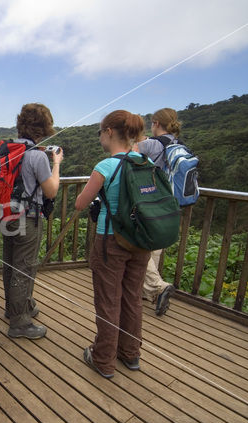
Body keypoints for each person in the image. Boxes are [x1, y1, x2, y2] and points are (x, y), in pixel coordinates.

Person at [75, 110, 151, 378]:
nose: (100, 138)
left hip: (111, 240)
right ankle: (130, 355)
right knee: (132, 297)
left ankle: (103, 359)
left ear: (109, 132)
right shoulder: (144, 161)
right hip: (141, 240)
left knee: (109, 301)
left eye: (100, 133)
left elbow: (80, 203)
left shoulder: (106, 166)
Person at [3, 103, 63, 339]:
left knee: (10, 265)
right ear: (44, 126)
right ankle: (19, 323)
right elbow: (51, 191)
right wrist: (56, 164)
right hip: (27, 219)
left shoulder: (9, 151)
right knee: (24, 269)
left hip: (5, 216)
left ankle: (15, 309)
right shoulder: (37, 156)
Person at [135, 108, 180, 316]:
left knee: (140, 246)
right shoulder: (177, 145)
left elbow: (128, 153)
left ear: (155, 123)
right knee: (156, 247)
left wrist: (138, 139)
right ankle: (147, 292)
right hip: (170, 203)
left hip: (151, 201)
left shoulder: (152, 144)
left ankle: (158, 287)